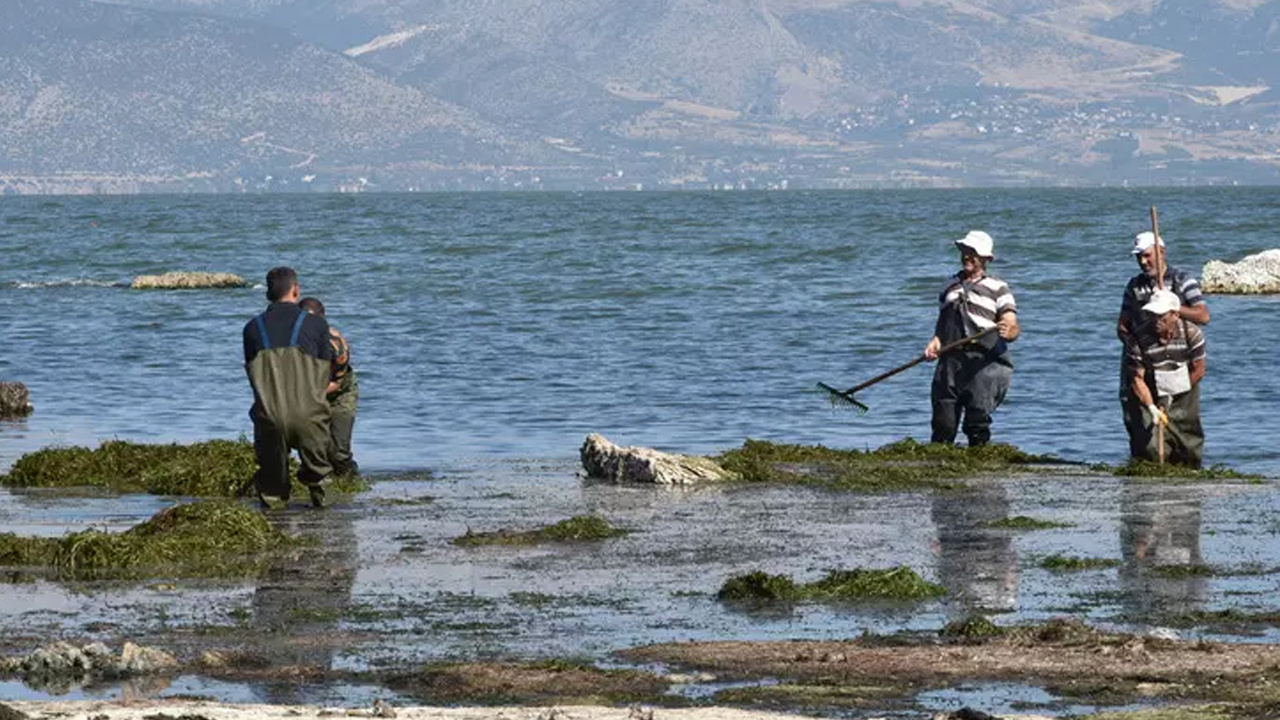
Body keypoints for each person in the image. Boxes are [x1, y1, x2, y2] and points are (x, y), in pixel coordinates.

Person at [243, 267, 334, 508]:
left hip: (269, 417)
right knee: (318, 465)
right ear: (296, 290)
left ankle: (275, 500)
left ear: (267, 295)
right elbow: (327, 372)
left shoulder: (252, 328)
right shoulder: (317, 325)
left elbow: (252, 376)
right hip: (310, 416)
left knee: (272, 479)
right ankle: (318, 485)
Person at [1117, 231, 1210, 460]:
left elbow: (1203, 316)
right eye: (1139, 257)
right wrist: (1135, 345)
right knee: (1142, 425)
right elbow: (1123, 324)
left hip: (1178, 361)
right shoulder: (1134, 286)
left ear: (1161, 252)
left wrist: (1171, 307)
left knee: (1184, 426)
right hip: (1144, 358)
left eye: (1147, 256)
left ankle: (1186, 469)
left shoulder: (1182, 279)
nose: (1143, 262)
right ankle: (1145, 471)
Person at [924, 230, 1020, 446]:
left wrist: (1009, 331)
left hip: (984, 362)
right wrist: (935, 342)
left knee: (976, 420)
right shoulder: (948, 285)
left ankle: (979, 466)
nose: (967, 256)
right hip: (950, 359)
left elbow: (1011, 323)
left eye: (973, 253)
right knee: (943, 422)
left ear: (986, 258)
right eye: (965, 251)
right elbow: (942, 323)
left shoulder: (998, 287)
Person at [1124, 289, 1207, 467]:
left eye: (1161, 316)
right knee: (1151, 444)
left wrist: (1175, 391)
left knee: (1188, 441)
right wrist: (1152, 406)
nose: (1156, 321)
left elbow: (1199, 370)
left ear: (1175, 315)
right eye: (1152, 315)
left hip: (1184, 386)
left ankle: (1190, 471)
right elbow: (1137, 379)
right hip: (1150, 388)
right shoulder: (1137, 339)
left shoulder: (1192, 334)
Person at [300, 296, 360, 478]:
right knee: (317, 446)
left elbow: (337, 382)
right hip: (311, 392)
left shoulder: (337, 344)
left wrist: (312, 394)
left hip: (340, 393)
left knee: (339, 452)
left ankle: (351, 482)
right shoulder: (295, 341)